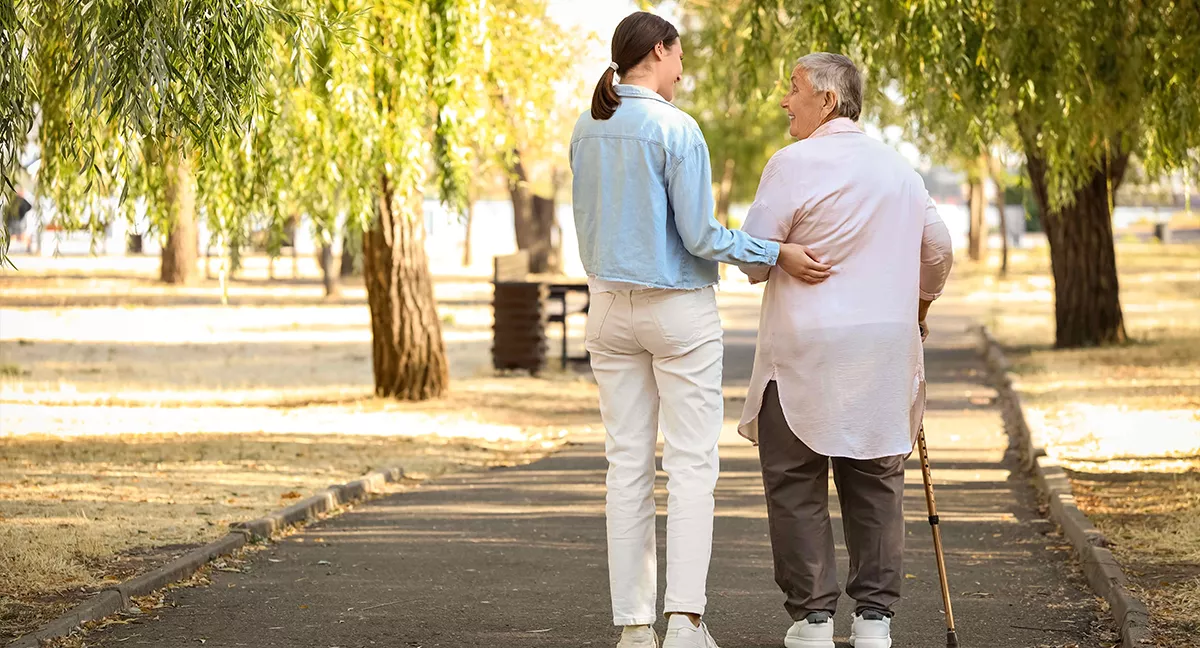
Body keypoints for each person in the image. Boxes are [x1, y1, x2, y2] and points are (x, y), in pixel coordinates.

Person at [570, 12, 833, 648]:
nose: (683, 70)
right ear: (658, 52)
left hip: (606, 307)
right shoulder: (675, 128)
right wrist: (776, 254)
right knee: (690, 465)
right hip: (677, 311)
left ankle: (633, 627)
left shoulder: (588, 126)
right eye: (679, 56)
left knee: (625, 466)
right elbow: (700, 236)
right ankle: (685, 622)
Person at [736, 53, 954, 648]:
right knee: (877, 479)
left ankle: (811, 621)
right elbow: (937, 250)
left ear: (827, 100)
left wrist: (776, 253)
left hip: (805, 350)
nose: (785, 100)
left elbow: (754, 259)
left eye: (794, 89)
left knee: (796, 482)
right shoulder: (900, 170)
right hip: (883, 348)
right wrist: (919, 307)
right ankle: (875, 621)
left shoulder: (791, 164)